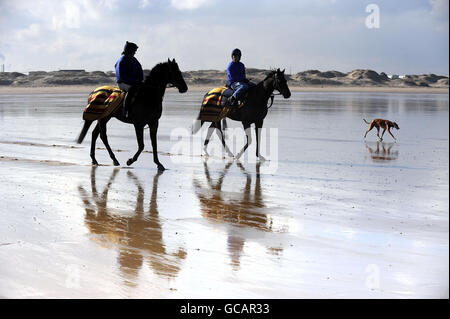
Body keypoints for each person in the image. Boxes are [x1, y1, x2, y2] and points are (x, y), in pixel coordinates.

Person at [115, 41, 144, 118]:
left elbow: (139, 69)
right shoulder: (122, 60)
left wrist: (140, 80)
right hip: (123, 83)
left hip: (132, 82)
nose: (135, 53)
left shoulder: (134, 59)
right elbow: (121, 76)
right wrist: (134, 81)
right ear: (130, 51)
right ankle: (126, 110)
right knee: (132, 90)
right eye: (134, 51)